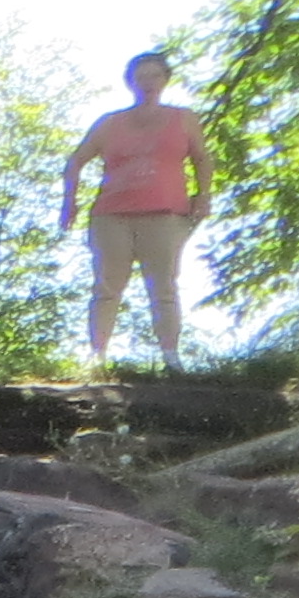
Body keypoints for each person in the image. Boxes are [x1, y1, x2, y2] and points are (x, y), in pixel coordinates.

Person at [59, 51, 215, 371]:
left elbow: (201, 158)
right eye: (141, 76)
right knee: (107, 287)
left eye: (154, 75)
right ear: (130, 82)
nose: (148, 82)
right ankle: (97, 358)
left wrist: (203, 196)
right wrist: (69, 202)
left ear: (165, 80)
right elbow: (75, 161)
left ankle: (171, 358)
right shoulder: (109, 123)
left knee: (164, 288)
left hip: (165, 214)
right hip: (111, 215)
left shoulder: (183, 118)